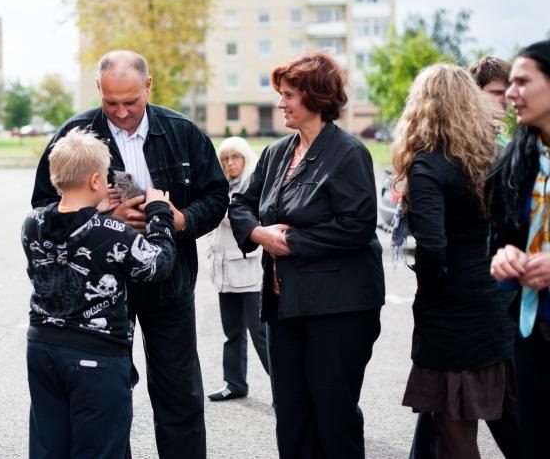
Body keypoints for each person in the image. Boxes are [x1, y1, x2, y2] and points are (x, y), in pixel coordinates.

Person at [31, 50, 228, 458]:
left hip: (167, 285)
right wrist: (106, 217)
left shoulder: (183, 132)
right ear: (98, 90)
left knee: (180, 396)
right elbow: (44, 207)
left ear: (148, 86)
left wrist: (180, 220)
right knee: (105, 403)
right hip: (99, 300)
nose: (121, 113)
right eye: (110, 102)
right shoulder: (75, 135)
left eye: (131, 102)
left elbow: (216, 196)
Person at [229, 52, 384, 458]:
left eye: (289, 95)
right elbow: (241, 204)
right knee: (292, 411)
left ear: (315, 97)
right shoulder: (278, 152)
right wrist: (260, 233)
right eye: (281, 94)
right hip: (285, 305)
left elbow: (357, 225)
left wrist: (291, 243)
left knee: (333, 415)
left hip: (339, 308)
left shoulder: (348, 152)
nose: (281, 103)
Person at [22, 128, 176, 459]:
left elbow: (72, 232)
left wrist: (94, 209)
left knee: (50, 446)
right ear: (96, 181)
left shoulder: (31, 223)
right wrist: (160, 212)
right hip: (96, 355)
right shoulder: (113, 233)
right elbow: (157, 265)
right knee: (100, 450)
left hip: (43, 347)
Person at [392, 64, 521, 459]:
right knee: (514, 421)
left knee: (455, 432)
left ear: (424, 106)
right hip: (497, 301)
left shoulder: (429, 164)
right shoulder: (493, 156)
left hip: (452, 315)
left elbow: (431, 246)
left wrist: (431, 294)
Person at [489, 39, 550, 459]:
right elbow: (501, 238)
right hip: (532, 331)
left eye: (522, 81)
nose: (511, 93)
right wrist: (503, 256)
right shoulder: (519, 159)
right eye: (509, 83)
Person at [207, 137, 269, 402]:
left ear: (245, 158)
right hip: (224, 273)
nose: (230, 163)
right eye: (225, 159)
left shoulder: (252, 187)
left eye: (236, 157)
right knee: (231, 332)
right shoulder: (221, 187)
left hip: (249, 273)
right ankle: (234, 383)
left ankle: (285, 387)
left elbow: (240, 219)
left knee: (261, 334)